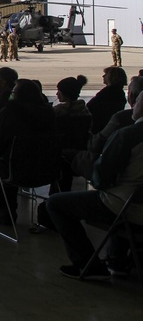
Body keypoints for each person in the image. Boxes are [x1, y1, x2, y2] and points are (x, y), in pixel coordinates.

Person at [46, 94, 143, 280]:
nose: (133, 104)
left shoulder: (128, 135)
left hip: (127, 207)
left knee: (56, 203)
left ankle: (87, 265)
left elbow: (102, 180)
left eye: (137, 101)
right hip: (133, 201)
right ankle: (118, 259)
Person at [0, 78, 56, 224]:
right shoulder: (49, 113)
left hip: (17, 170)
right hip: (49, 170)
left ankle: (5, 210)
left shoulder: (9, 112)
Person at [86, 66, 127, 134]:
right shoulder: (119, 93)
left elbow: (91, 108)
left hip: (99, 129)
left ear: (111, 77)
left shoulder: (107, 94)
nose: (103, 76)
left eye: (106, 74)